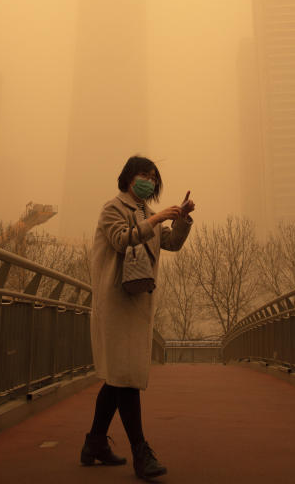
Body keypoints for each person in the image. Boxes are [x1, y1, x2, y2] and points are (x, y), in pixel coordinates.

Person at [81, 155, 195, 480]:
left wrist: (181, 219)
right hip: (116, 304)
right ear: (128, 177)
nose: (148, 180)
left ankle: (94, 444)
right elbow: (121, 239)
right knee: (126, 378)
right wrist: (158, 218)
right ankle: (141, 453)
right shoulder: (112, 209)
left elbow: (169, 244)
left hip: (138, 303)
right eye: (143, 175)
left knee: (118, 377)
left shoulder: (146, 213)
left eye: (152, 177)